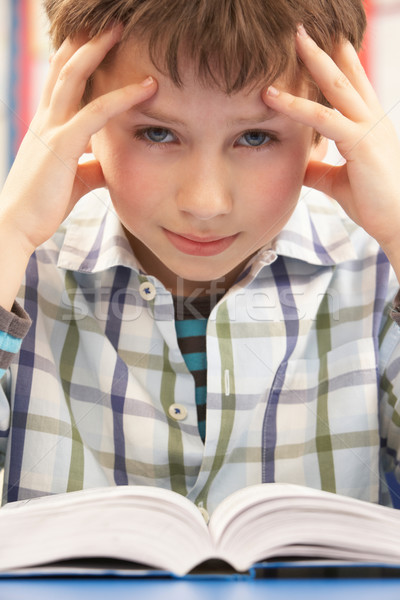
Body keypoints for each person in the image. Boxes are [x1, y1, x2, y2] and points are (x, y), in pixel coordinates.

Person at [0, 0, 399, 514]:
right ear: (77, 113)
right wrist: (10, 232)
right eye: (157, 133)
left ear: (327, 126)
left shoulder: (377, 271)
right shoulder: (20, 269)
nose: (205, 202)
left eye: (256, 137)